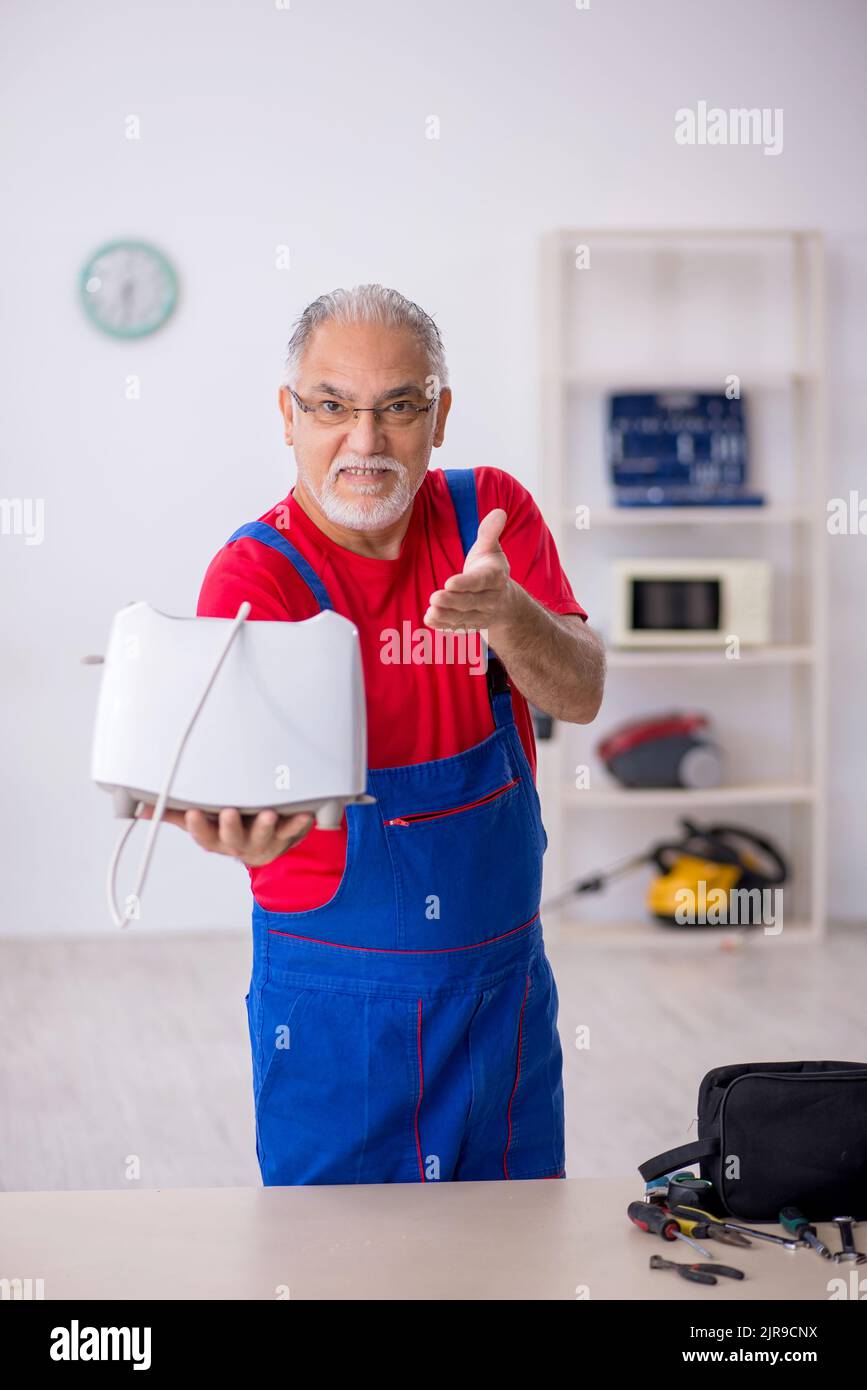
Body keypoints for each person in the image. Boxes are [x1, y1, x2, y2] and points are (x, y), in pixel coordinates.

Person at [167, 284, 605, 1184]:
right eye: (331, 407)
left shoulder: (488, 514)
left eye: (398, 407)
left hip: (502, 1003)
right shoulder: (255, 577)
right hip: (335, 1017)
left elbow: (583, 691)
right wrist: (238, 824)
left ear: (438, 415)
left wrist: (507, 613)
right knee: (335, 1267)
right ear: (288, 416)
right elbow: (238, 790)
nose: (364, 442)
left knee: (514, 1258)